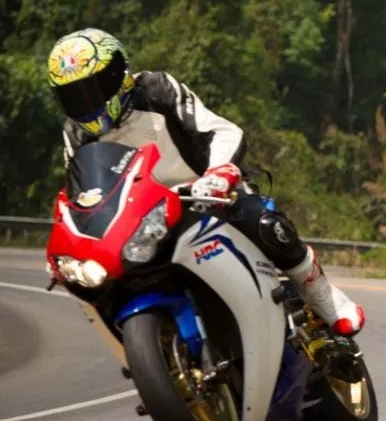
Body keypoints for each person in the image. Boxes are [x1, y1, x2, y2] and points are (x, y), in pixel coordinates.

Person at [45, 28, 364, 336]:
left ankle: (324, 296)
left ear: (118, 74)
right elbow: (81, 196)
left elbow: (222, 131)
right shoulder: (75, 134)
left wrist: (219, 173)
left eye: (93, 89)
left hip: (203, 197)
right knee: (99, 289)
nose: (85, 104)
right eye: (73, 97)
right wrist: (72, 243)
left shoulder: (157, 90)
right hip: (137, 224)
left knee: (267, 226)